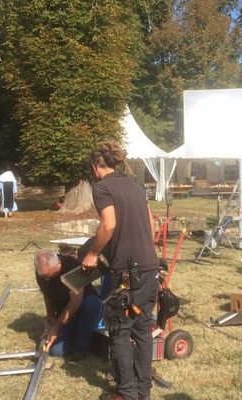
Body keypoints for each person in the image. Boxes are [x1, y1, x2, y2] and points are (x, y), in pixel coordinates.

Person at [81, 140, 159, 400]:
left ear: (95, 167)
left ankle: (126, 393)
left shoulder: (101, 187)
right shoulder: (136, 187)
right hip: (149, 266)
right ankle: (143, 391)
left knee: (120, 330)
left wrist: (93, 253)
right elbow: (151, 224)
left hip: (126, 272)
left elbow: (109, 224)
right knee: (143, 329)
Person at [35, 249, 102, 358]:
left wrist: (56, 327)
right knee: (57, 351)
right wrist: (50, 315)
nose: (46, 279)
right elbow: (46, 292)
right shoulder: (42, 271)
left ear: (58, 265)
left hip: (84, 307)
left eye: (49, 276)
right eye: (44, 277)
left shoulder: (73, 266)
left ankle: (81, 347)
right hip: (65, 311)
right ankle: (79, 333)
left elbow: (76, 302)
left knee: (91, 304)